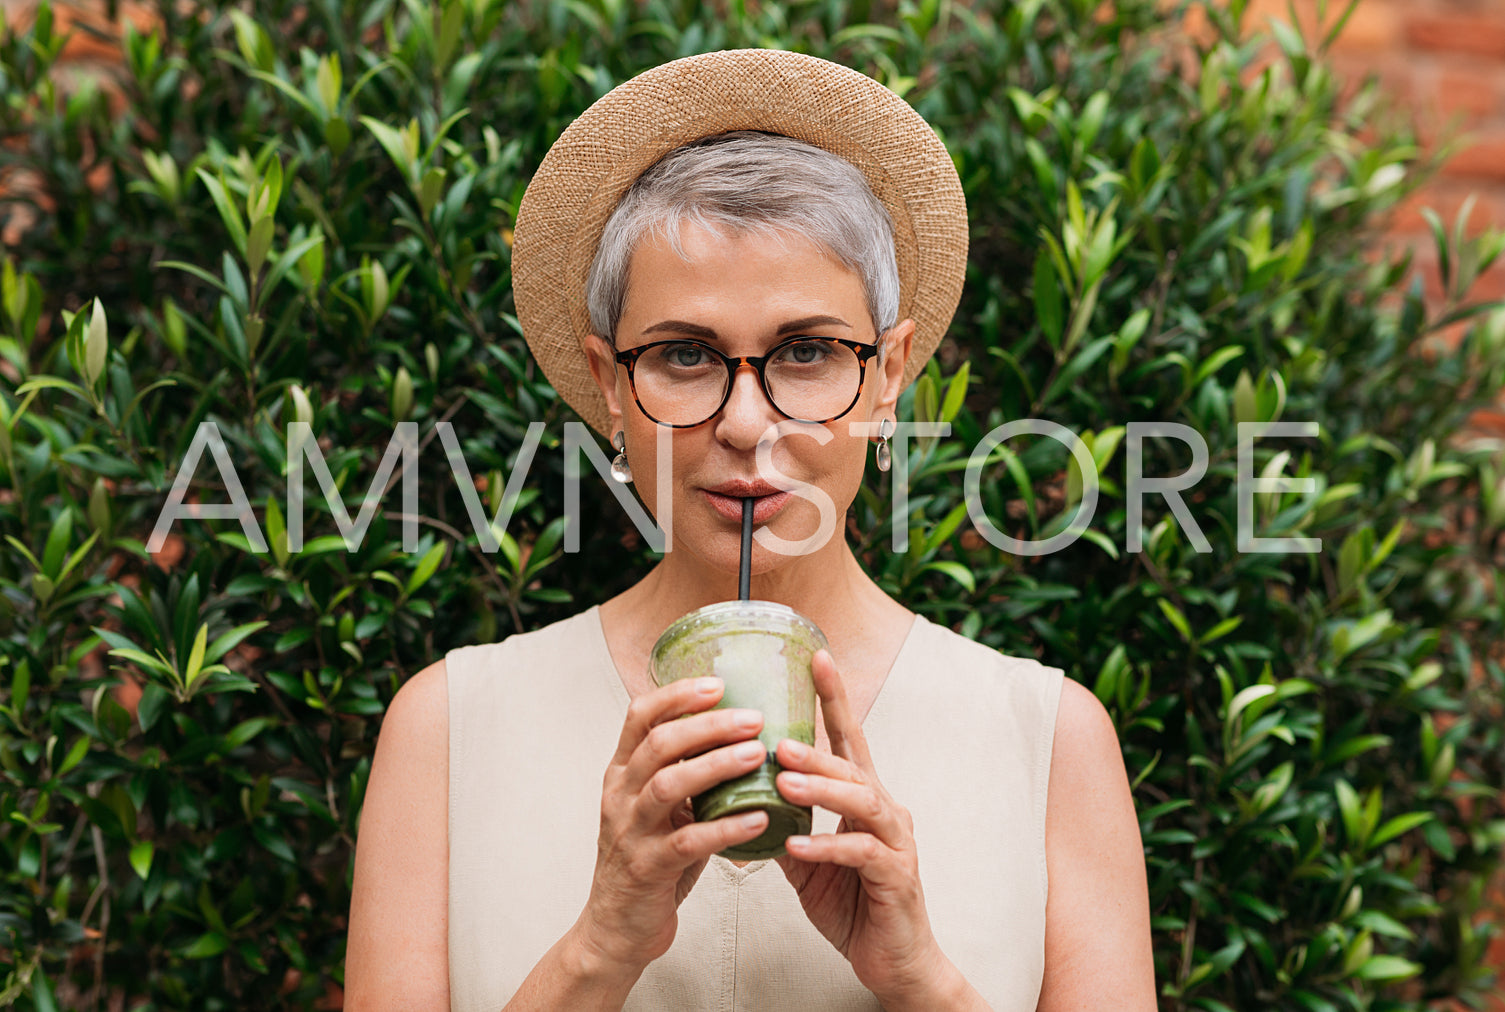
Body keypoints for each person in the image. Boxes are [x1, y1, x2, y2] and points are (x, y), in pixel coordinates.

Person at [344, 49, 1155, 1011]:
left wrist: (920, 982)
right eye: (683, 355)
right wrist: (598, 949)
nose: (742, 421)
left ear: (889, 375)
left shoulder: (1047, 741)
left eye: (807, 352)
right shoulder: (449, 730)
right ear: (610, 385)